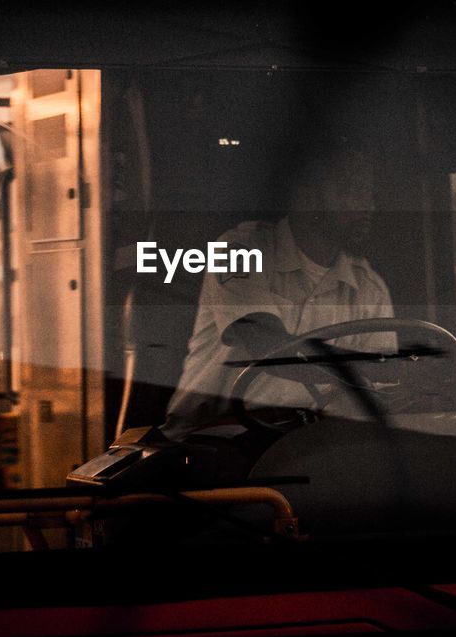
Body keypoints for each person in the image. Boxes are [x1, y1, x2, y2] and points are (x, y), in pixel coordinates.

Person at [162, 140, 394, 438]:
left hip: (299, 443)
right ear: (305, 195)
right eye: (351, 191)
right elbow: (269, 347)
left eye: (370, 194)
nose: (368, 207)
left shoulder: (368, 287)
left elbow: (381, 392)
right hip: (208, 440)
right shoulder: (238, 250)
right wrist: (384, 369)